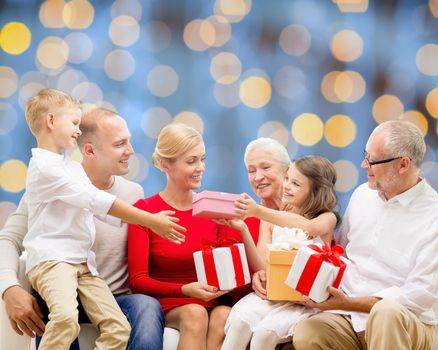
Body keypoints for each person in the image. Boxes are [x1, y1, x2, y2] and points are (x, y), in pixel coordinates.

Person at [4, 88, 185, 349]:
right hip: (60, 284)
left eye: (129, 141)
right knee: (60, 312)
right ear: (89, 151)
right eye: (120, 144)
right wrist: (9, 287)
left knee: (145, 306)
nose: (131, 151)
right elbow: (10, 237)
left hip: (104, 290)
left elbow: (107, 217)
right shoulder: (48, 181)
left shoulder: (133, 193)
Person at [290, 120, 438, 350]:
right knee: (309, 332)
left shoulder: (433, 215)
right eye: (365, 155)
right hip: (350, 315)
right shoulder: (362, 195)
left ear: (403, 165)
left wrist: (350, 302)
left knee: (386, 312)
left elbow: (418, 297)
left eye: (372, 160)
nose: (363, 164)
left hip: (408, 321)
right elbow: (339, 253)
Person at [128, 123, 243, 350]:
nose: (200, 167)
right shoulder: (144, 212)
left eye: (203, 159)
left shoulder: (213, 209)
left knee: (224, 315)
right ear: (164, 164)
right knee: (195, 313)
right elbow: (138, 281)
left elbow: (229, 267)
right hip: (173, 302)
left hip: (211, 300)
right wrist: (184, 290)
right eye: (191, 161)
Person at [221, 156, 339, 350]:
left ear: (316, 191)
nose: (286, 186)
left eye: (295, 183)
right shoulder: (270, 217)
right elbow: (262, 265)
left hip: (303, 303)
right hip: (272, 297)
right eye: (287, 179)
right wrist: (243, 229)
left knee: (264, 335)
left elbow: (308, 227)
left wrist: (258, 210)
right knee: (239, 324)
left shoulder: (326, 219)